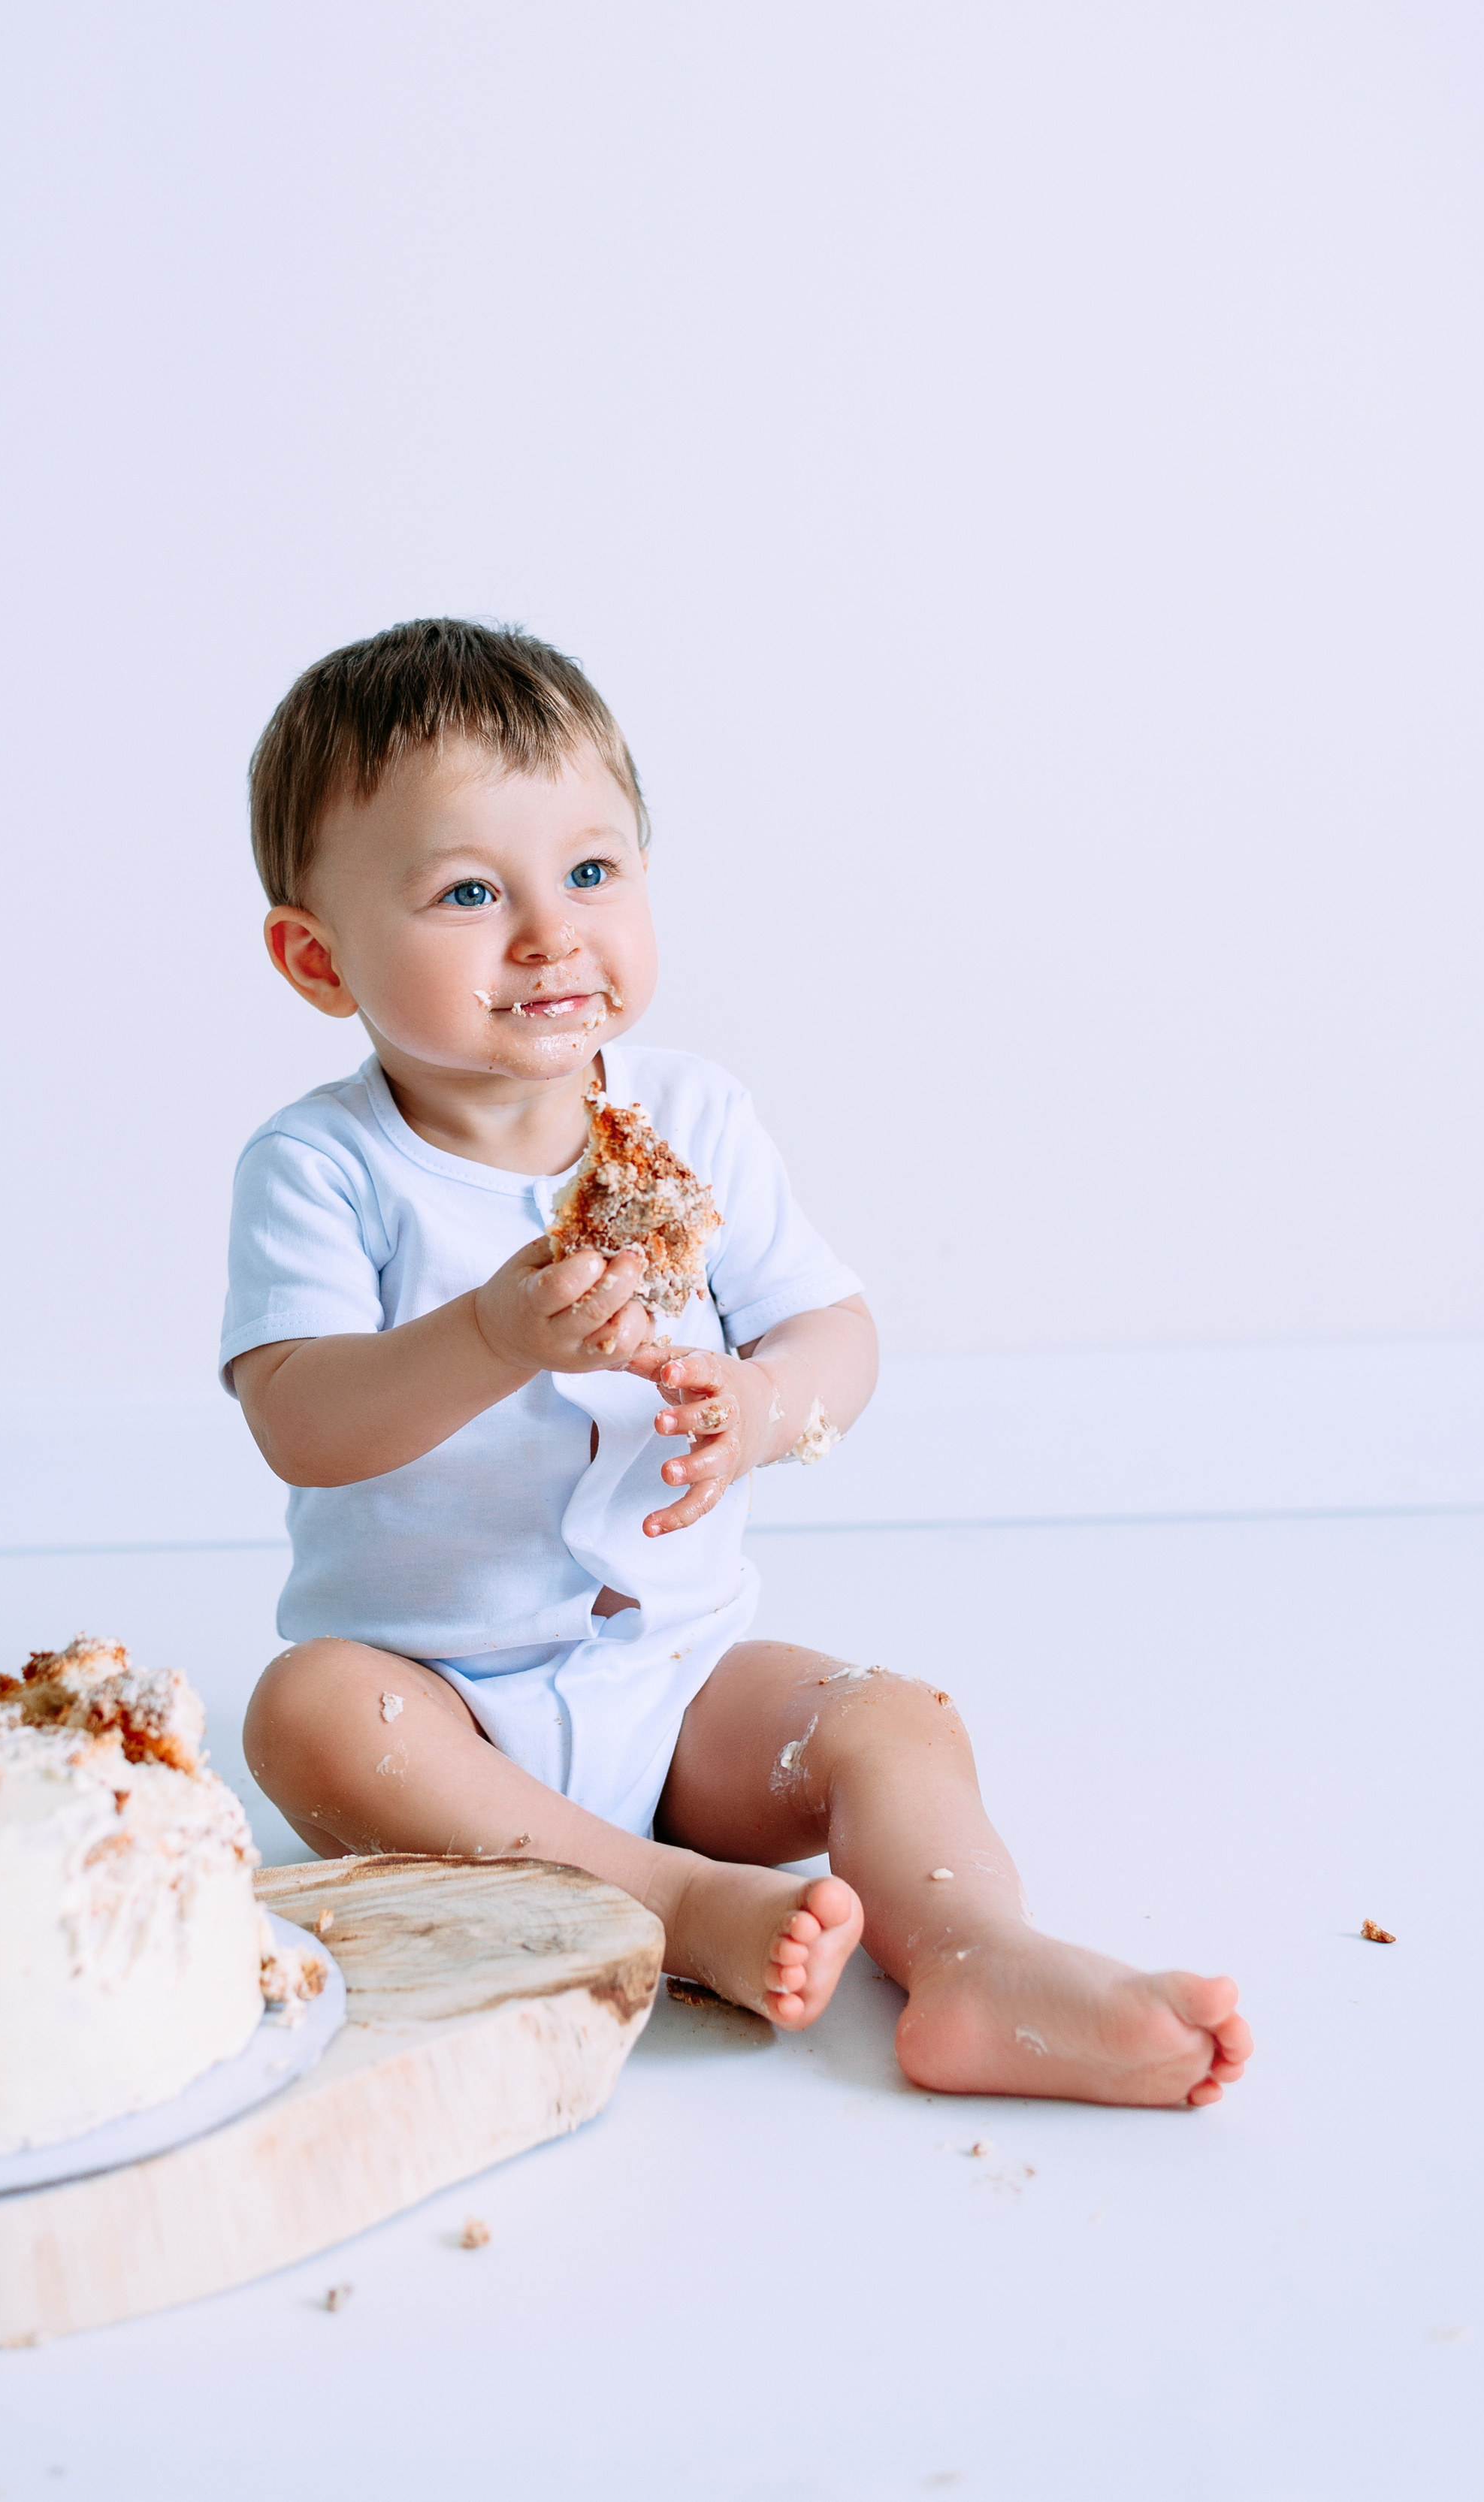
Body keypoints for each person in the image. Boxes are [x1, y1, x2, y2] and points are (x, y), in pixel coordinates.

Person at [223, 618, 1251, 2105]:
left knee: (894, 1718)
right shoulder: (323, 1168)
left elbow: (836, 1332)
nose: (550, 933)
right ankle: (670, 1903)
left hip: (681, 1680)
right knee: (304, 1710)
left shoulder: (689, 1120)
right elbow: (302, 1423)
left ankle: (975, 1957)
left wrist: (766, 1404)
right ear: (317, 959)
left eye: (590, 872)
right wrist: (487, 1338)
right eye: (467, 891)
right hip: (440, 1709)